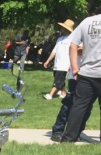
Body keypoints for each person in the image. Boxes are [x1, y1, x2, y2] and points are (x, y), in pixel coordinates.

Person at [61, 6, 101, 143]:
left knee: (79, 106)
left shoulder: (86, 22)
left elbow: (73, 45)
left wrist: (74, 68)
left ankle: (68, 138)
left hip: (87, 72)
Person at [43, 20, 74, 100]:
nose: (61, 28)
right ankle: (63, 93)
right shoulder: (59, 39)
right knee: (60, 79)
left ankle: (50, 95)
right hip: (57, 63)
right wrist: (48, 60)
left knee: (58, 81)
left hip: (64, 64)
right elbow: (54, 51)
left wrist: (71, 63)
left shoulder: (72, 39)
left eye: (63, 27)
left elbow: (73, 53)